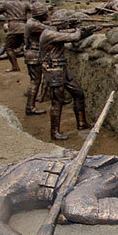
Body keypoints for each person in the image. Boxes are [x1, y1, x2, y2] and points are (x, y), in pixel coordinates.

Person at [39, 10, 96, 140]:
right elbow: (74, 37)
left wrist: (87, 31)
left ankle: (82, 123)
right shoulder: (49, 34)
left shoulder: (53, 31)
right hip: (54, 70)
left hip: (62, 69)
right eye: (66, 24)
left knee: (79, 94)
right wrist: (80, 31)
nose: (67, 27)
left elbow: (70, 34)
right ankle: (55, 132)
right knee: (57, 102)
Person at [0, 0, 29, 72]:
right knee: (28, 47)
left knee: (9, 48)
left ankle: (15, 66)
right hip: (24, 27)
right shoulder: (25, 3)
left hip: (14, 27)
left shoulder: (6, 4)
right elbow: (34, 10)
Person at [23, 2, 50, 116]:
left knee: (40, 79)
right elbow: (51, 30)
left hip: (34, 54)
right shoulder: (35, 25)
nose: (47, 14)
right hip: (35, 54)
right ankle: (30, 107)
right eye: (45, 13)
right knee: (35, 81)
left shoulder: (33, 22)